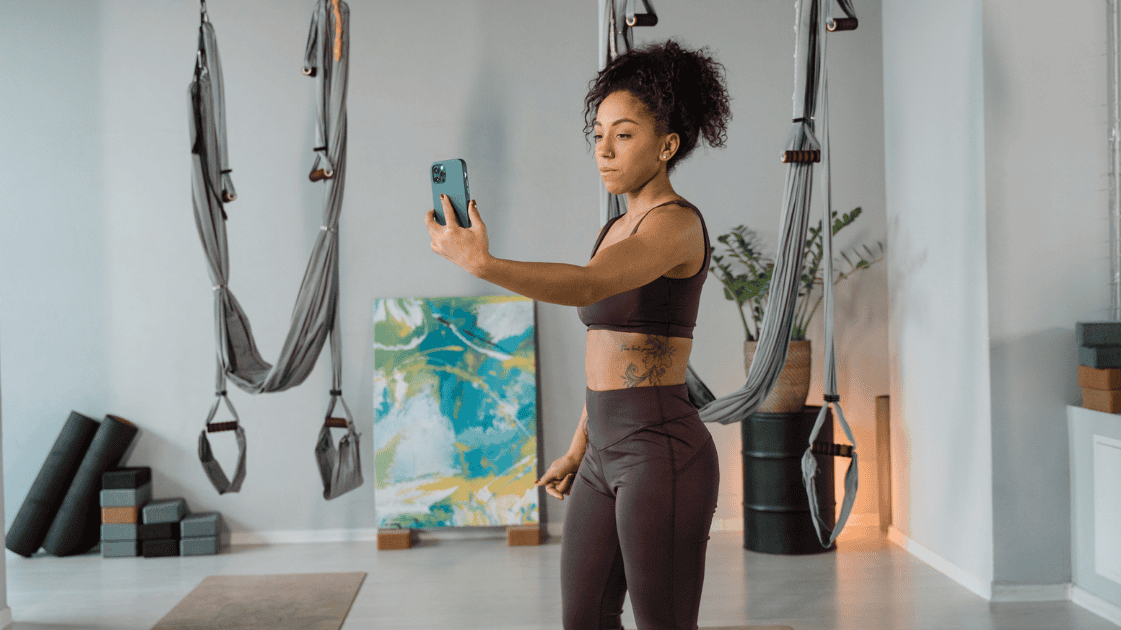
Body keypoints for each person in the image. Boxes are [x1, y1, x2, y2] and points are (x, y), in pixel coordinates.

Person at [426, 39, 731, 630]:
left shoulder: (675, 226)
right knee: (585, 619)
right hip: (601, 454)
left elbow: (589, 286)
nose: (605, 150)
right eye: (598, 134)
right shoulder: (617, 225)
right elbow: (609, 353)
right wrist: (577, 446)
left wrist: (483, 265)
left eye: (624, 134)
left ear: (666, 145)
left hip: (659, 451)